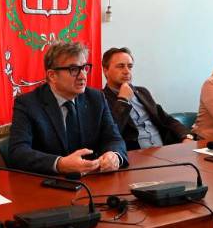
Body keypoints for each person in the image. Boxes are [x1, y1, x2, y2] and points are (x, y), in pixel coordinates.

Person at [8, 41, 127, 175]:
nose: (83, 76)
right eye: (74, 69)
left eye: (84, 68)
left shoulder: (96, 98)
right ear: (52, 75)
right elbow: (18, 152)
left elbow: (114, 138)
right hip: (50, 181)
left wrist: (114, 155)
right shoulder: (28, 104)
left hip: (92, 178)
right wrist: (60, 164)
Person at [102, 47, 194, 150]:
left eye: (130, 66)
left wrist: (186, 136)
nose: (127, 71)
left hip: (163, 150)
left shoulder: (142, 92)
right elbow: (110, 133)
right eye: (120, 66)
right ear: (106, 71)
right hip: (135, 154)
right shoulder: (100, 98)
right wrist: (123, 100)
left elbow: (166, 119)